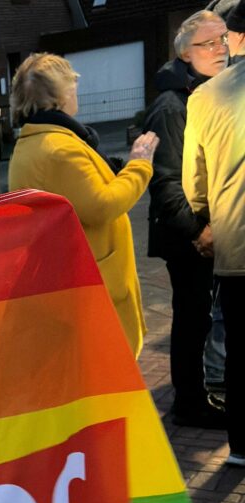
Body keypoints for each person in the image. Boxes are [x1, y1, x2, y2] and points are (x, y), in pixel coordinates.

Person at [8, 54, 158, 358]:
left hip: (76, 286)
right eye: (73, 87)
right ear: (61, 96)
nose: (77, 94)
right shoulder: (58, 148)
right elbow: (102, 205)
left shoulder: (36, 141)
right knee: (108, 383)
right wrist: (139, 165)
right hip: (92, 291)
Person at [144, 10, 228, 428]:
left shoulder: (209, 95)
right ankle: (189, 403)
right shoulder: (172, 104)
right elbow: (163, 182)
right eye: (208, 43)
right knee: (192, 319)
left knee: (201, 318)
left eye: (223, 41)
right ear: (184, 52)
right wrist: (198, 231)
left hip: (211, 230)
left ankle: (197, 396)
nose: (219, 50)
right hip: (188, 235)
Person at [184, 11, 245, 466]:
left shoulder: (205, 97)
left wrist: (207, 217)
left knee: (239, 345)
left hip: (237, 244)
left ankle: (241, 445)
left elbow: (194, 182)